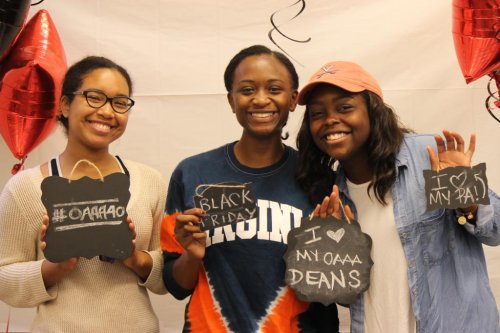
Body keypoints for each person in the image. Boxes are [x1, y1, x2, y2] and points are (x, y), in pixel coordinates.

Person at [295, 60, 500, 333]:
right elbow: (349, 296)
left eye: (344, 107)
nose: (330, 119)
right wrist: (333, 258)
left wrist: (468, 199)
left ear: (373, 111)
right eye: (317, 114)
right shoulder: (329, 195)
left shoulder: (431, 155)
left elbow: (496, 230)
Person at [161, 45, 339, 332]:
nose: (260, 99)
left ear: (293, 99)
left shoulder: (320, 180)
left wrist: (330, 255)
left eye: (274, 89)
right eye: (246, 90)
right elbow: (175, 285)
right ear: (231, 101)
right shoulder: (191, 173)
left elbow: (338, 290)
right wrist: (192, 255)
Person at [0, 56, 167, 332]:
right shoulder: (25, 188)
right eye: (95, 97)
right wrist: (54, 268)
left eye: (120, 102)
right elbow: (3, 276)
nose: (107, 111)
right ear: (65, 105)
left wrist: (135, 259)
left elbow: (170, 273)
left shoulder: (149, 181)